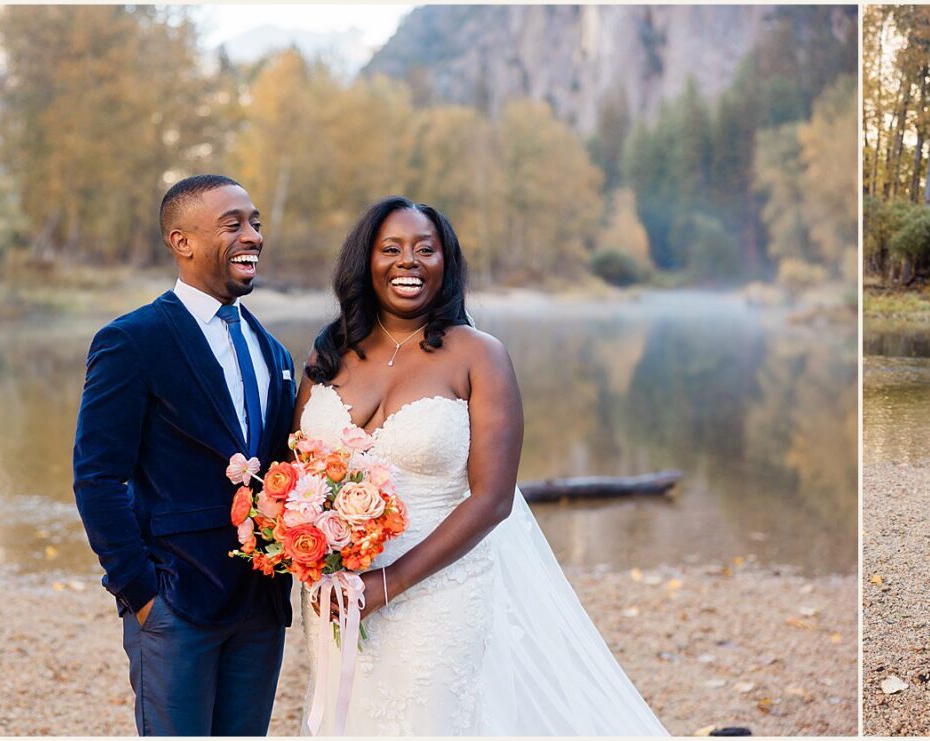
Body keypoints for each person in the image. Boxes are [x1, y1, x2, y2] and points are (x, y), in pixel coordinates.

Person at [290, 196, 668, 734]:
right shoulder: (327, 358)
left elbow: (492, 499)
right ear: (364, 262)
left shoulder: (479, 356)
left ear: (447, 264)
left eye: (426, 249)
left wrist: (387, 584)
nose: (409, 261)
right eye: (391, 248)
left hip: (439, 589)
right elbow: (296, 478)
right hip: (337, 594)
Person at [72, 175, 296, 734]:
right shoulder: (133, 340)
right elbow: (98, 477)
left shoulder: (274, 351)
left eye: (256, 223)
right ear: (182, 241)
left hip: (261, 603)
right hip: (174, 601)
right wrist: (141, 593)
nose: (252, 236)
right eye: (233, 225)